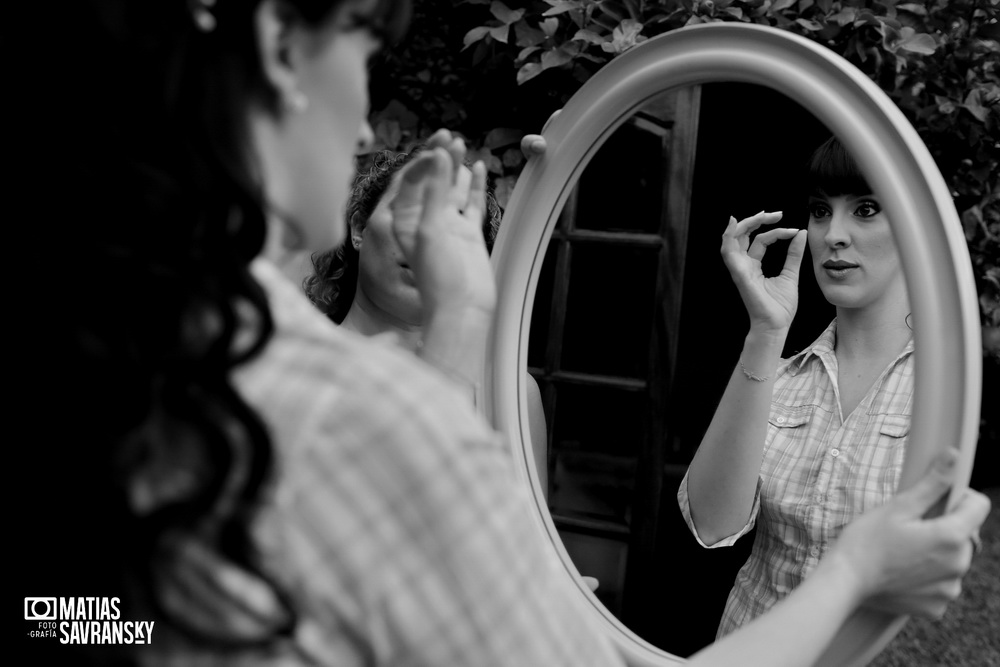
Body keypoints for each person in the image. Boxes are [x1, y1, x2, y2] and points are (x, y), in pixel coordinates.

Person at [17, 2, 989, 666]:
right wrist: (860, 571)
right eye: (365, 54)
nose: (364, 129)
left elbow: (77, 621)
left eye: (865, 210)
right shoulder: (343, 414)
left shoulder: (130, 364)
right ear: (280, 43)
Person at [678, 136, 928, 637]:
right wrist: (766, 333)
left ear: (915, 226)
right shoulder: (781, 375)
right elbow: (710, 525)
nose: (833, 234)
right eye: (820, 211)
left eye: (866, 209)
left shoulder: (942, 382)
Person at [302, 147, 549, 492]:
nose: (427, 238)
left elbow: (529, 539)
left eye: (454, 223)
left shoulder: (511, 393)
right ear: (359, 227)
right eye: (410, 210)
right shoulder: (299, 368)